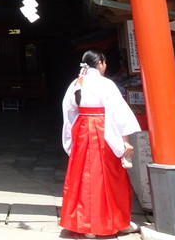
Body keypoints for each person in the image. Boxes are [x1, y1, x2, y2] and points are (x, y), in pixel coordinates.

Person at [61, 49, 141, 238]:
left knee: (81, 176)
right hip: (103, 128)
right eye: (104, 63)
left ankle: (84, 224)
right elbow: (118, 112)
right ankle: (113, 221)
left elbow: (69, 110)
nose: (105, 66)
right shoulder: (106, 84)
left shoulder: (76, 83)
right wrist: (125, 140)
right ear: (100, 63)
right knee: (109, 176)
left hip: (82, 128)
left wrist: (71, 133)